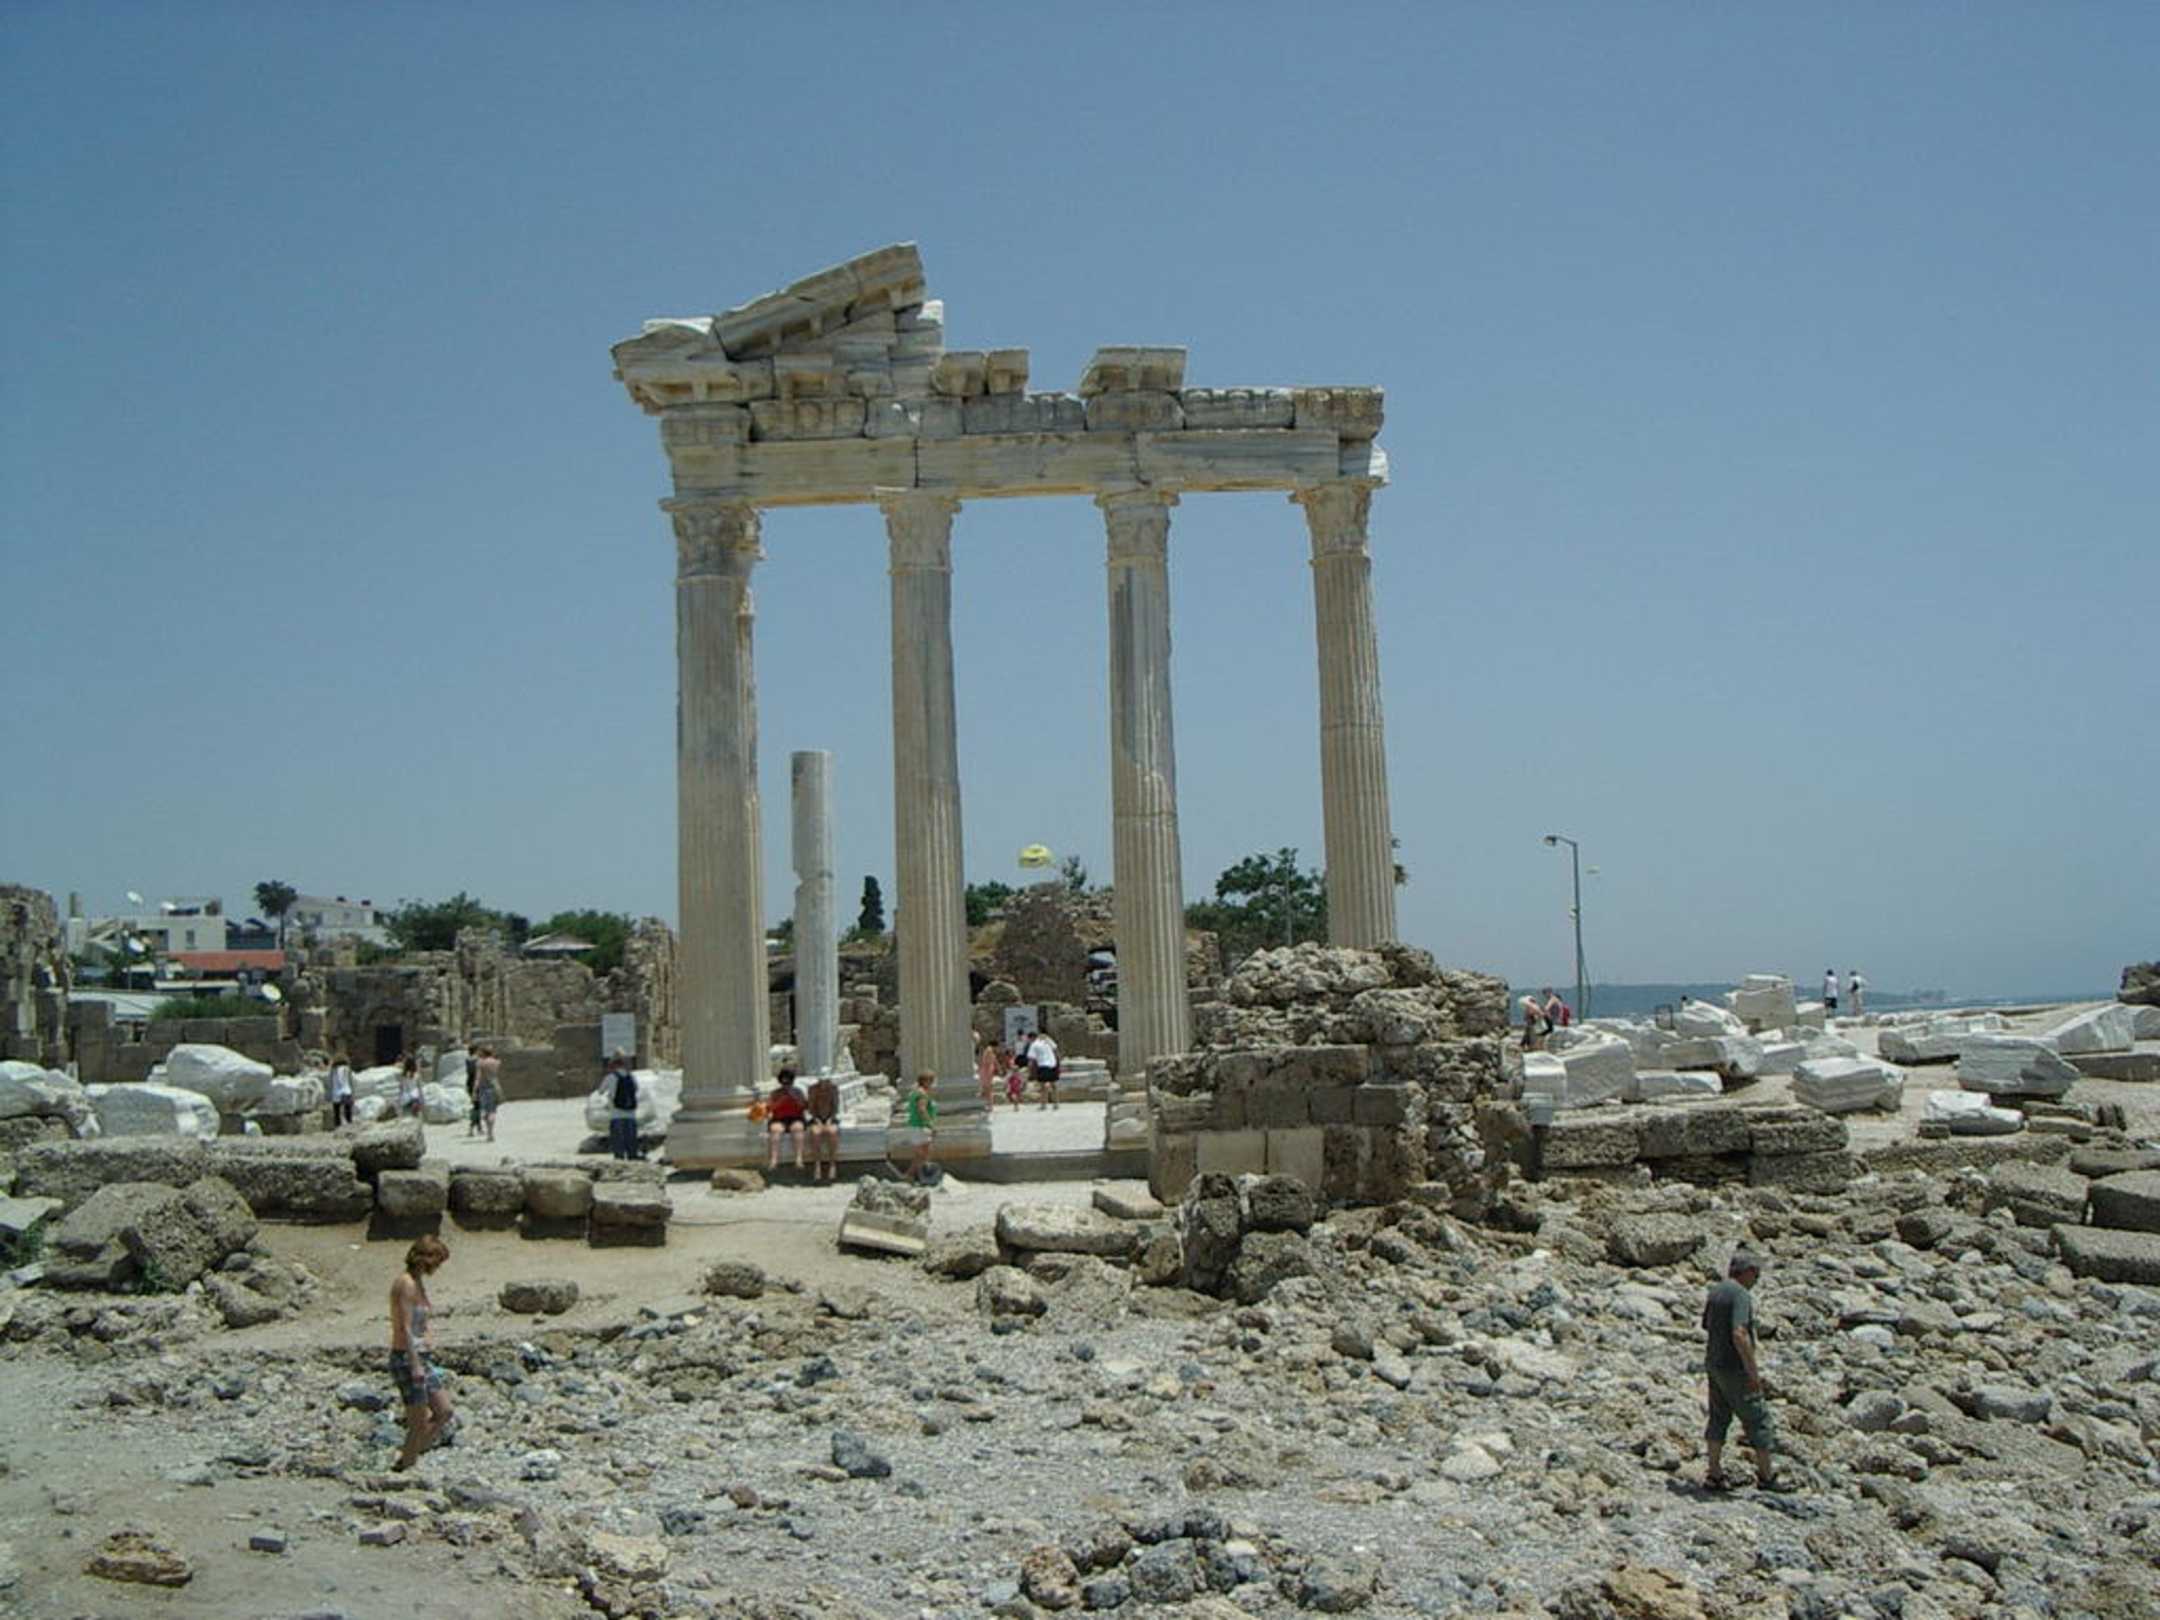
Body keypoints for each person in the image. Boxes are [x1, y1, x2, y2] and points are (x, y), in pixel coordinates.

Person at [1702, 1252, 1780, 1491]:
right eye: (1756, 1273)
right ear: (1746, 1272)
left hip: (1714, 1363)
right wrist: (1752, 1372)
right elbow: (1739, 1333)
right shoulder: (1740, 1295)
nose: (1757, 1278)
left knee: (1718, 1416)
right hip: (1735, 1368)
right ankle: (1766, 1476)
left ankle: (1714, 1472)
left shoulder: (1716, 1291)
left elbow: (1706, 1325)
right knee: (1758, 1419)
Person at [389, 1234, 455, 1472]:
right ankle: (405, 1468)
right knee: (417, 1422)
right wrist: (415, 1363)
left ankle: (409, 1455)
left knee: (444, 1411)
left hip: (421, 1357)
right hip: (408, 1358)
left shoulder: (418, 1282)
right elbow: (405, 1327)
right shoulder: (405, 1284)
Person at [766, 1068, 808, 1171]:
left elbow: (804, 1106)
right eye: (784, 1083)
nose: (786, 1086)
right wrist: (781, 1100)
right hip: (779, 1118)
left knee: (798, 1128)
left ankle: (799, 1159)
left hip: (796, 1117)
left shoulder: (798, 1092)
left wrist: (795, 1098)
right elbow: (770, 1108)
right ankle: (774, 1160)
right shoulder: (775, 1093)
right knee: (775, 1130)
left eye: (788, 1083)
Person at [805, 1072, 842, 1181]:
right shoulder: (813, 1089)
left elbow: (835, 1107)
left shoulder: (833, 1089)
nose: (824, 1083)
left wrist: (830, 1120)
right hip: (816, 1117)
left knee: (832, 1132)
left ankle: (832, 1164)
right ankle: (817, 1165)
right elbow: (811, 1108)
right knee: (815, 1133)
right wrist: (817, 1120)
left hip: (830, 1117)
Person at [604, 1053, 640, 1160]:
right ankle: (632, 1158)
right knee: (631, 1141)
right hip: (631, 1114)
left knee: (618, 1143)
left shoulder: (610, 1077)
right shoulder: (631, 1077)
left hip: (616, 1114)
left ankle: (620, 1162)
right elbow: (637, 1089)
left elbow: (600, 1091)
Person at [904, 1070, 938, 1181]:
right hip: (920, 1126)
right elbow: (922, 1109)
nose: (934, 1084)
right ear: (926, 1081)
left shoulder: (915, 1092)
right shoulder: (922, 1094)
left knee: (922, 1153)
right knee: (923, 1154)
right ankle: (909, 1175)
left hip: (914, 1126)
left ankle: (917, 1176)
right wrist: (931, 1125)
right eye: (932, 1081)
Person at [1027, 1028, 1061, 1110]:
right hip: (1053, 1063)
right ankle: (1056, 1104)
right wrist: (1058, 1061)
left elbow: (1031, 1058)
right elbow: (1055, 1049)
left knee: (1043, 1086)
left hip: (1043, 1065)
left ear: (1031, 1038)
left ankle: (1043, 1105)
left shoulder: (1034, 1044)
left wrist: (1029, 1070)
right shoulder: (1047, 1040)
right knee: (1054, 1085)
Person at [473, 1045, 501, 1143]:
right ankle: (490, 1132)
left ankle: (488, 1130)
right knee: (492, 1111)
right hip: (494, 1087)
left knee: (485, 1111)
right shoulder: (496, 1062)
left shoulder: (480, 1063)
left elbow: (478, 1078)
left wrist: (474, 1091)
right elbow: (498, 1059)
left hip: (483, 1089)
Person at [326, 1050, 355, 1127]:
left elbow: (330, 1082)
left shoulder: (333, 1070)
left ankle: (338, 1125)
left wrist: (329, 1093)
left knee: (337, 1112)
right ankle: (349, 1123)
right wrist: (353, 1093)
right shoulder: (347, 1069)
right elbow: (350, 1081)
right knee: (348, 1110)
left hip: (336, 1092)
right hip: (346, 1091)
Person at [975, 1039, 1001, 1108]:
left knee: (987, 1089)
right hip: (987, 1071)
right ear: (995, 1046)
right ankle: (990, 1105)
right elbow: (989, 1062)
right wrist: (997, 1068)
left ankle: (987, 1104)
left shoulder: (988, 1050)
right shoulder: (989, 1050)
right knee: (988, 1089)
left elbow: (993, 1061)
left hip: (986, 1070)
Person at [398, 1054, 423, 1119]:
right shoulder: (416, 1075)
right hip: (414, 1095)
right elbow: (420, 1088)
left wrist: (400, 1100)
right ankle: (415, 1106)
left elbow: (401, 1088)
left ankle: (411, 1105)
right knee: (417, 1095)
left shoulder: (403, 1075)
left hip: (405, 1096)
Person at [464, 1045, 482, 1137]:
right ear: (476, 1051)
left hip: (469, 1083)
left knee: (476, 1105)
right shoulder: (477, 1060)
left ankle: (479, 1127)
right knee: (477, 1107)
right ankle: (472, 1127)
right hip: (476, 1084)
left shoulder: (467, 1060)